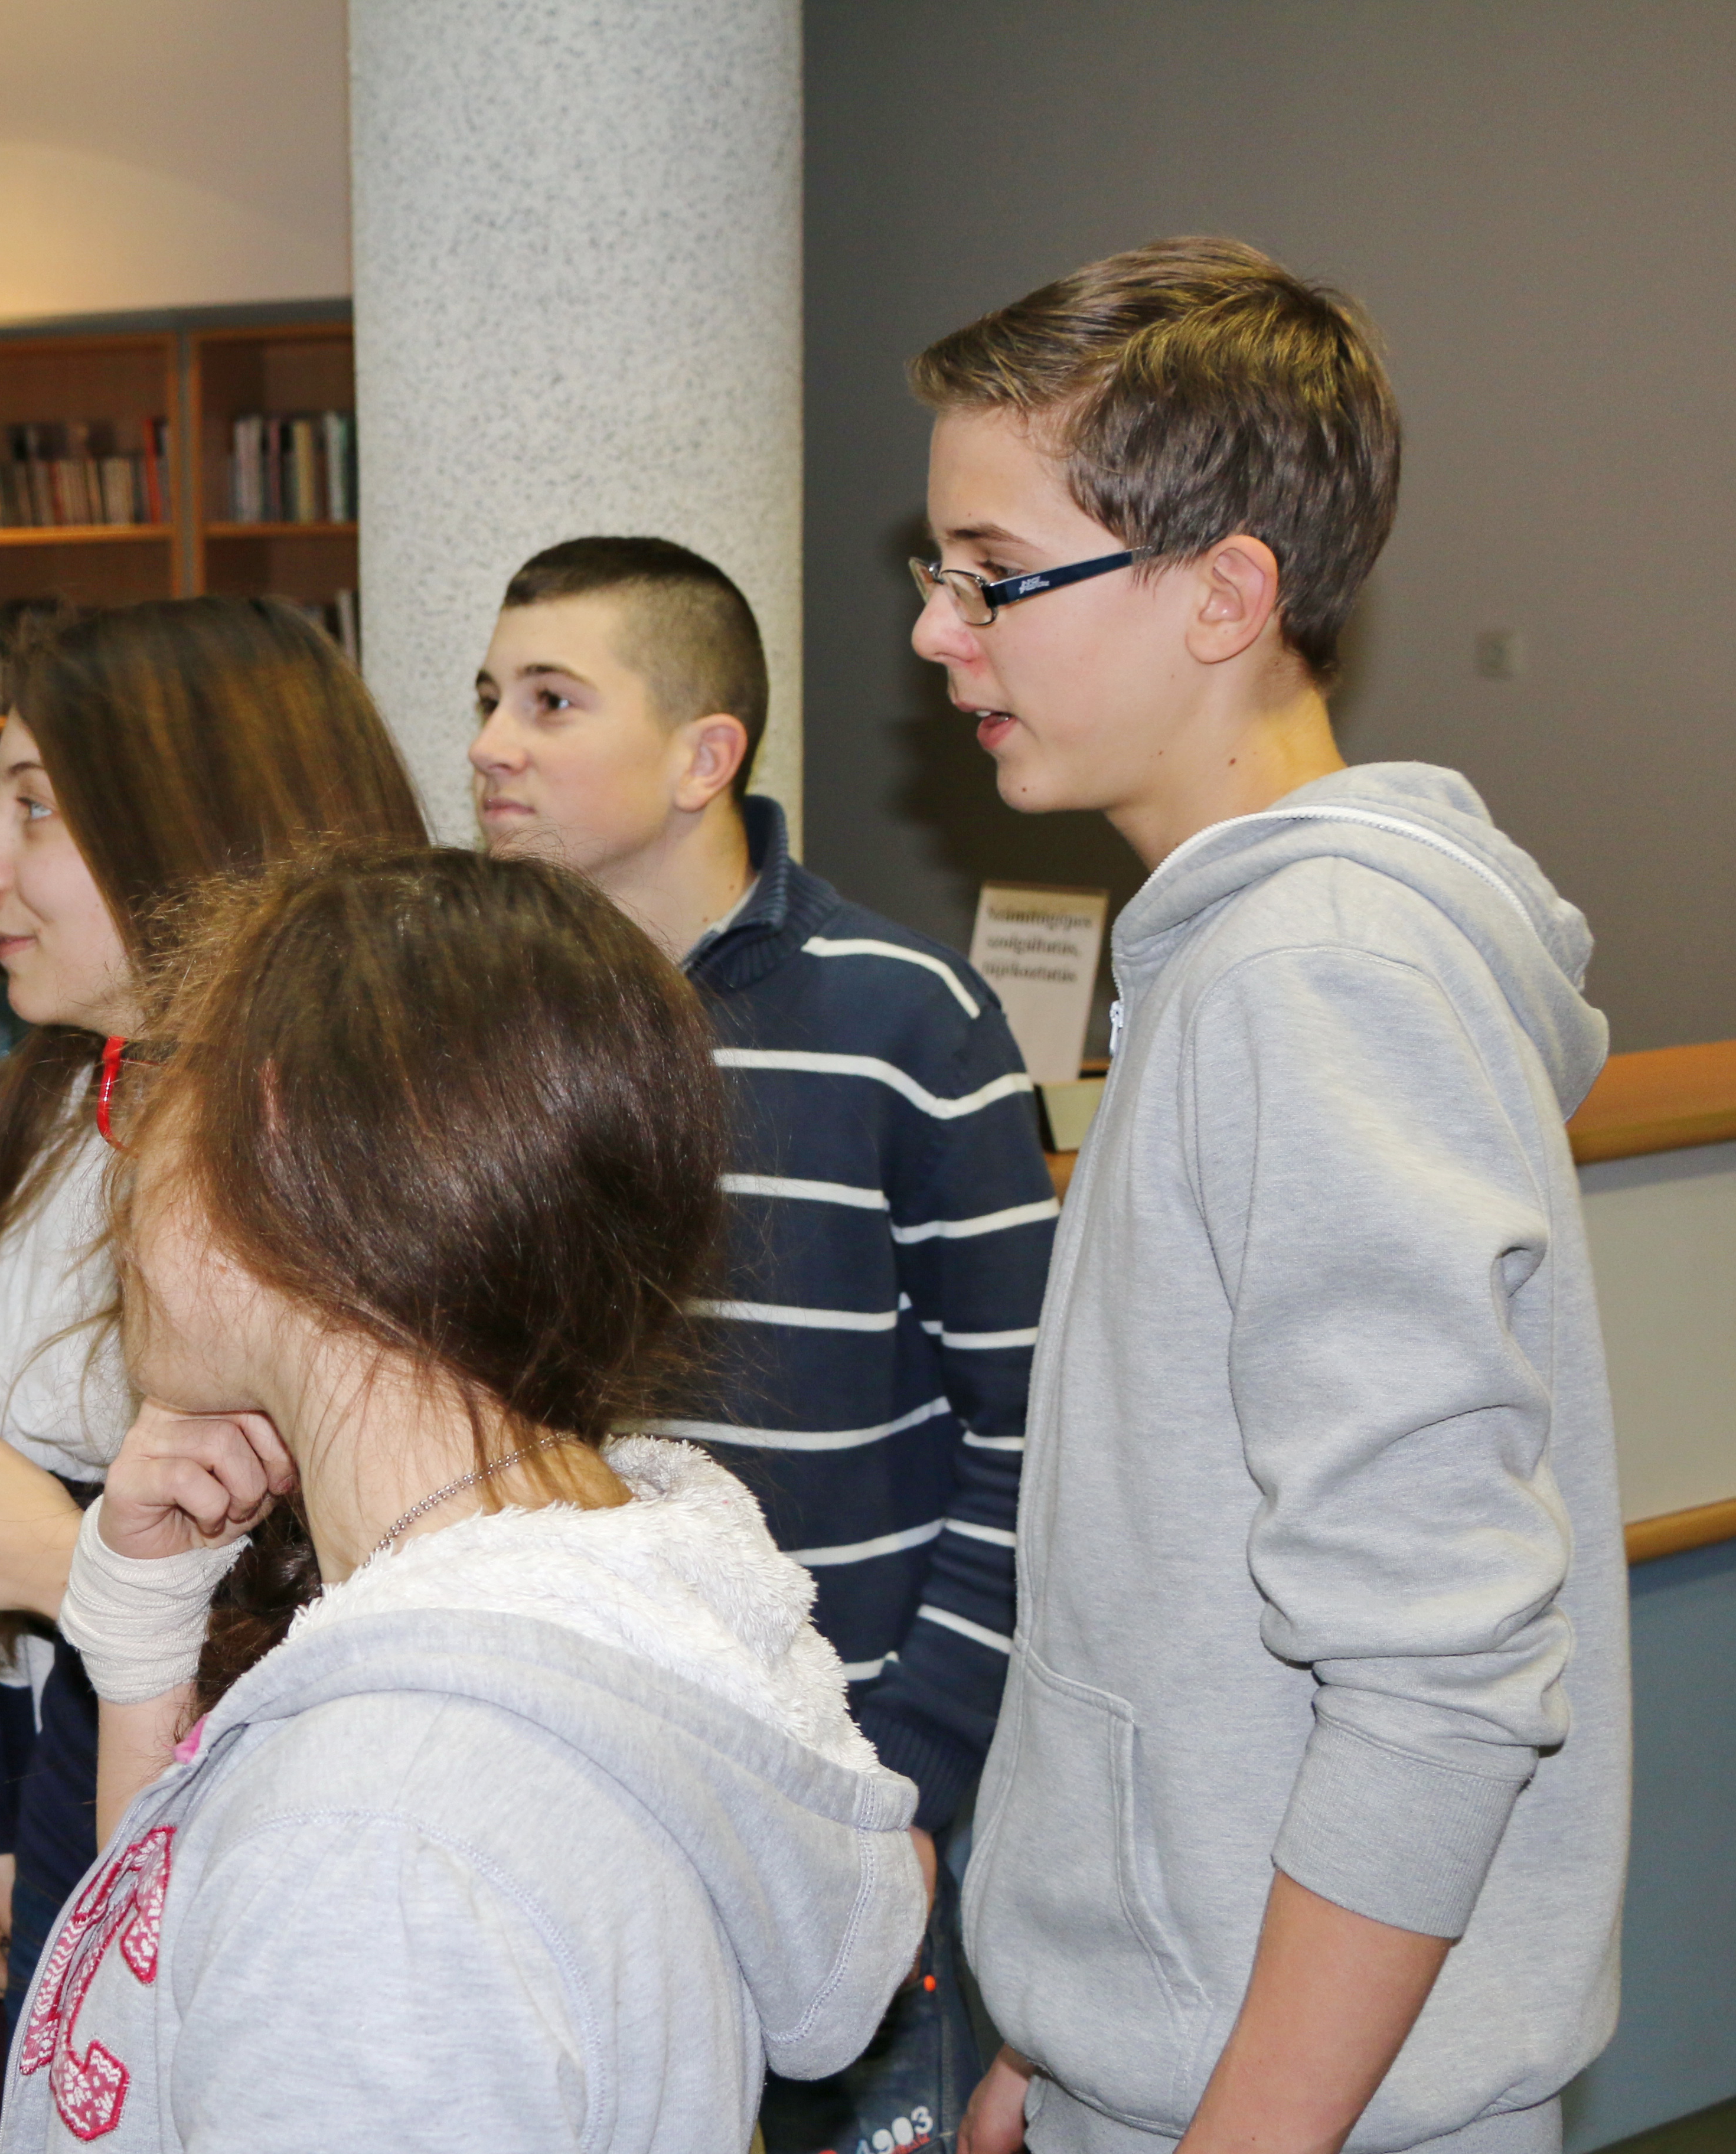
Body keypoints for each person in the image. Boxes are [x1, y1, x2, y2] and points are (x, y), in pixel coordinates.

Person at [911, 239, 1627, 2154]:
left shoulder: (1316, 975)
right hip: (1181, 2045)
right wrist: (1078, 2017)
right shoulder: (1240, 957)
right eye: (936, 573)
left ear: (1225, 595)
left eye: (991, 575)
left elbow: (1439, 1677)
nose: (939, 635)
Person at [0, 844, 925, 2152]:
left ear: (276, 1134)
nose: (130, 1151)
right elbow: (152, 2028)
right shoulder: (593, 1607)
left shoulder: (374, 1845)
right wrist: (146, 1643)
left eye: (156, 1088)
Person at [472, 536, 1055, 2153]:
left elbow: (1033, 1436)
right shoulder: (492, 1031)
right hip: (589, 1783)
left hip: (850, 1795)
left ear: (702, 756)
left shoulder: (906, 1022)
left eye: (550, 701)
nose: (492, 744)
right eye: (487, 699)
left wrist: (910, 1771)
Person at [0, 598, 428, 2011]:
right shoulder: (39, 1113)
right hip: (74, 1776)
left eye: (34, 807)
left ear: (192, 825)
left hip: (279, 1857)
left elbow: (397, 1618)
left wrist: (64, 1564)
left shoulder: (378, 1175)